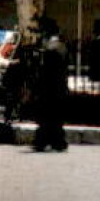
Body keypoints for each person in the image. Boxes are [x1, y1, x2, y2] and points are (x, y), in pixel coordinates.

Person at [31, 16, 70, 153]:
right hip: (59, 88)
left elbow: (45, 72)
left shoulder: (51, 50)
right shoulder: (62, 47)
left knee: (47, 116)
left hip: (50, 89)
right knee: (55, 117)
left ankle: (46, 141)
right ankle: (56, 141)